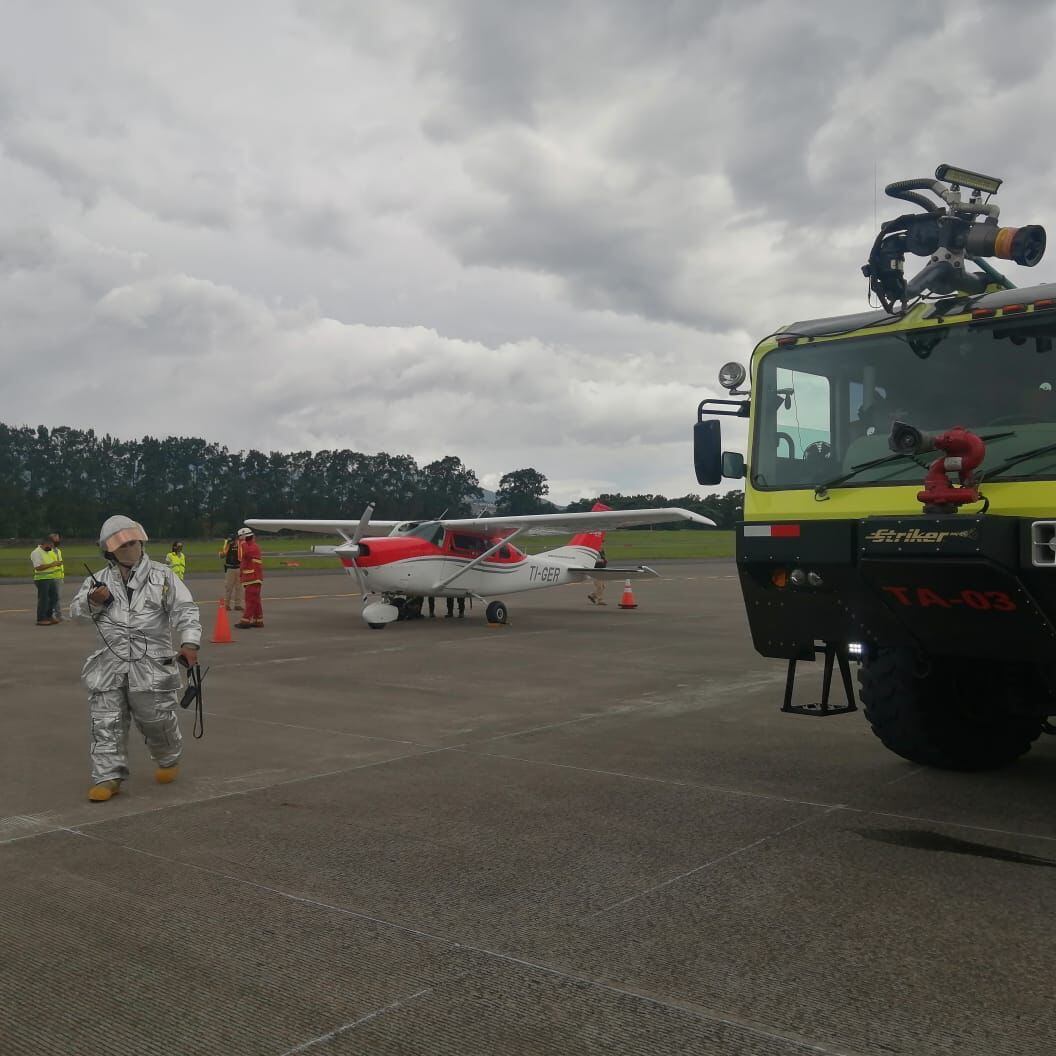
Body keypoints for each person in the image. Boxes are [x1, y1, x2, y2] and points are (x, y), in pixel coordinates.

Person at [70, 515, 202, 803]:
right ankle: (108, 776)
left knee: (155, 718)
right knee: (106, 721)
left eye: (133, 542)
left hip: (151, 665)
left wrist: (190, 642)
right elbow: (76, 614)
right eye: (123, 544)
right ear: (109, 550)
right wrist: (94, 600)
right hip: (108, 665)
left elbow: (185, 609)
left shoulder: (163, 575)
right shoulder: (98, 581)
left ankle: (168, 756)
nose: (130, 548)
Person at [30, 533, 64, 626]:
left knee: (54, 598)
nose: (52, 547)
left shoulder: (47, 552)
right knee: (43, 599)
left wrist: (55, 564)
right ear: (45, 544)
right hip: (42, 579)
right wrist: (52, 564)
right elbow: (38, 567)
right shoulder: (36, 552)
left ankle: (49, 616)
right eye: (50, 545)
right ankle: (41, 618)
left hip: (51, 578)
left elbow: (49, 563)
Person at [235, 526, 264, 628]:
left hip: (253, 578)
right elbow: (242, 559)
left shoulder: (252, 547)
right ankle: (258, 620)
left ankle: (245, 621)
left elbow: (246, 553)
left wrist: (242, 542)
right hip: (250, 578)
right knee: (255, 600)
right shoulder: (249, 546)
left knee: (250, 600)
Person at [219, 534, 244, 611]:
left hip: (239, 568)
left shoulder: (240, 545)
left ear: (236, 539)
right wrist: (223, 551)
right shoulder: (227, 545)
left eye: (232, 540)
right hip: (230, 568)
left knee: (239, 588)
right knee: (229, 588)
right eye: (230, 541)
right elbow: (222, 555)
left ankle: (237, 605)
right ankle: (227, 605)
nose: (231, 542)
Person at [48, 531, 65, 621]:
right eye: (57, 538)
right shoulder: (48, 551)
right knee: (54, 597)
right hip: (52, 577)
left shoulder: (58, 551)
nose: (59, 540)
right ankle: (54, 615)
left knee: (57, 597)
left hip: (59, 577)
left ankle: (57, 614)